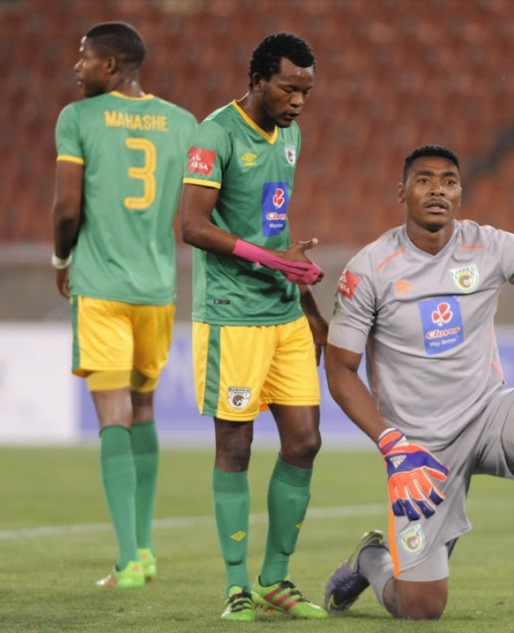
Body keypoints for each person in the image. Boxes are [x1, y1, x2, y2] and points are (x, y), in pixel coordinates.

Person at [323, 145, 514, 623]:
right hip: (420, 448)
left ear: (461, 192)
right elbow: (339, 370)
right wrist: (392, 445)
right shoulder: (369, 268)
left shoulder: (492, 247)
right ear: (402, 192)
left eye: (449, 181)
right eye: (424, 180)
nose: (438, 189)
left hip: (486, 417)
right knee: (420, 608)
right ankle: (372, 559)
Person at [178, 32, 329, 622]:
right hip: (232, 316)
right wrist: (265, 258)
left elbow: (273, 224)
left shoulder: (290, 135)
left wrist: (306, 298)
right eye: (289, 88)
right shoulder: (214, 134)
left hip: (283, 311)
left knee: (306, 441)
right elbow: (191, 225)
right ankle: (236, 585)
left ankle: (276, 579)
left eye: (306, 92)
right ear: (258, 79)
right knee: (235, 446)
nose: (297, 102)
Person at [51, 21, 197, 589]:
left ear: (111, 67)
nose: (76, 67)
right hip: (157, 290)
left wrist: (62, 261)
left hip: (102, 287)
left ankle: (128, 559)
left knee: (111, 415)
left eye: (84, 57)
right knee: (144, 412)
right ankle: (147, 548)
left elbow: (67, 209)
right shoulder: (182, 123)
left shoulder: (78, 118)